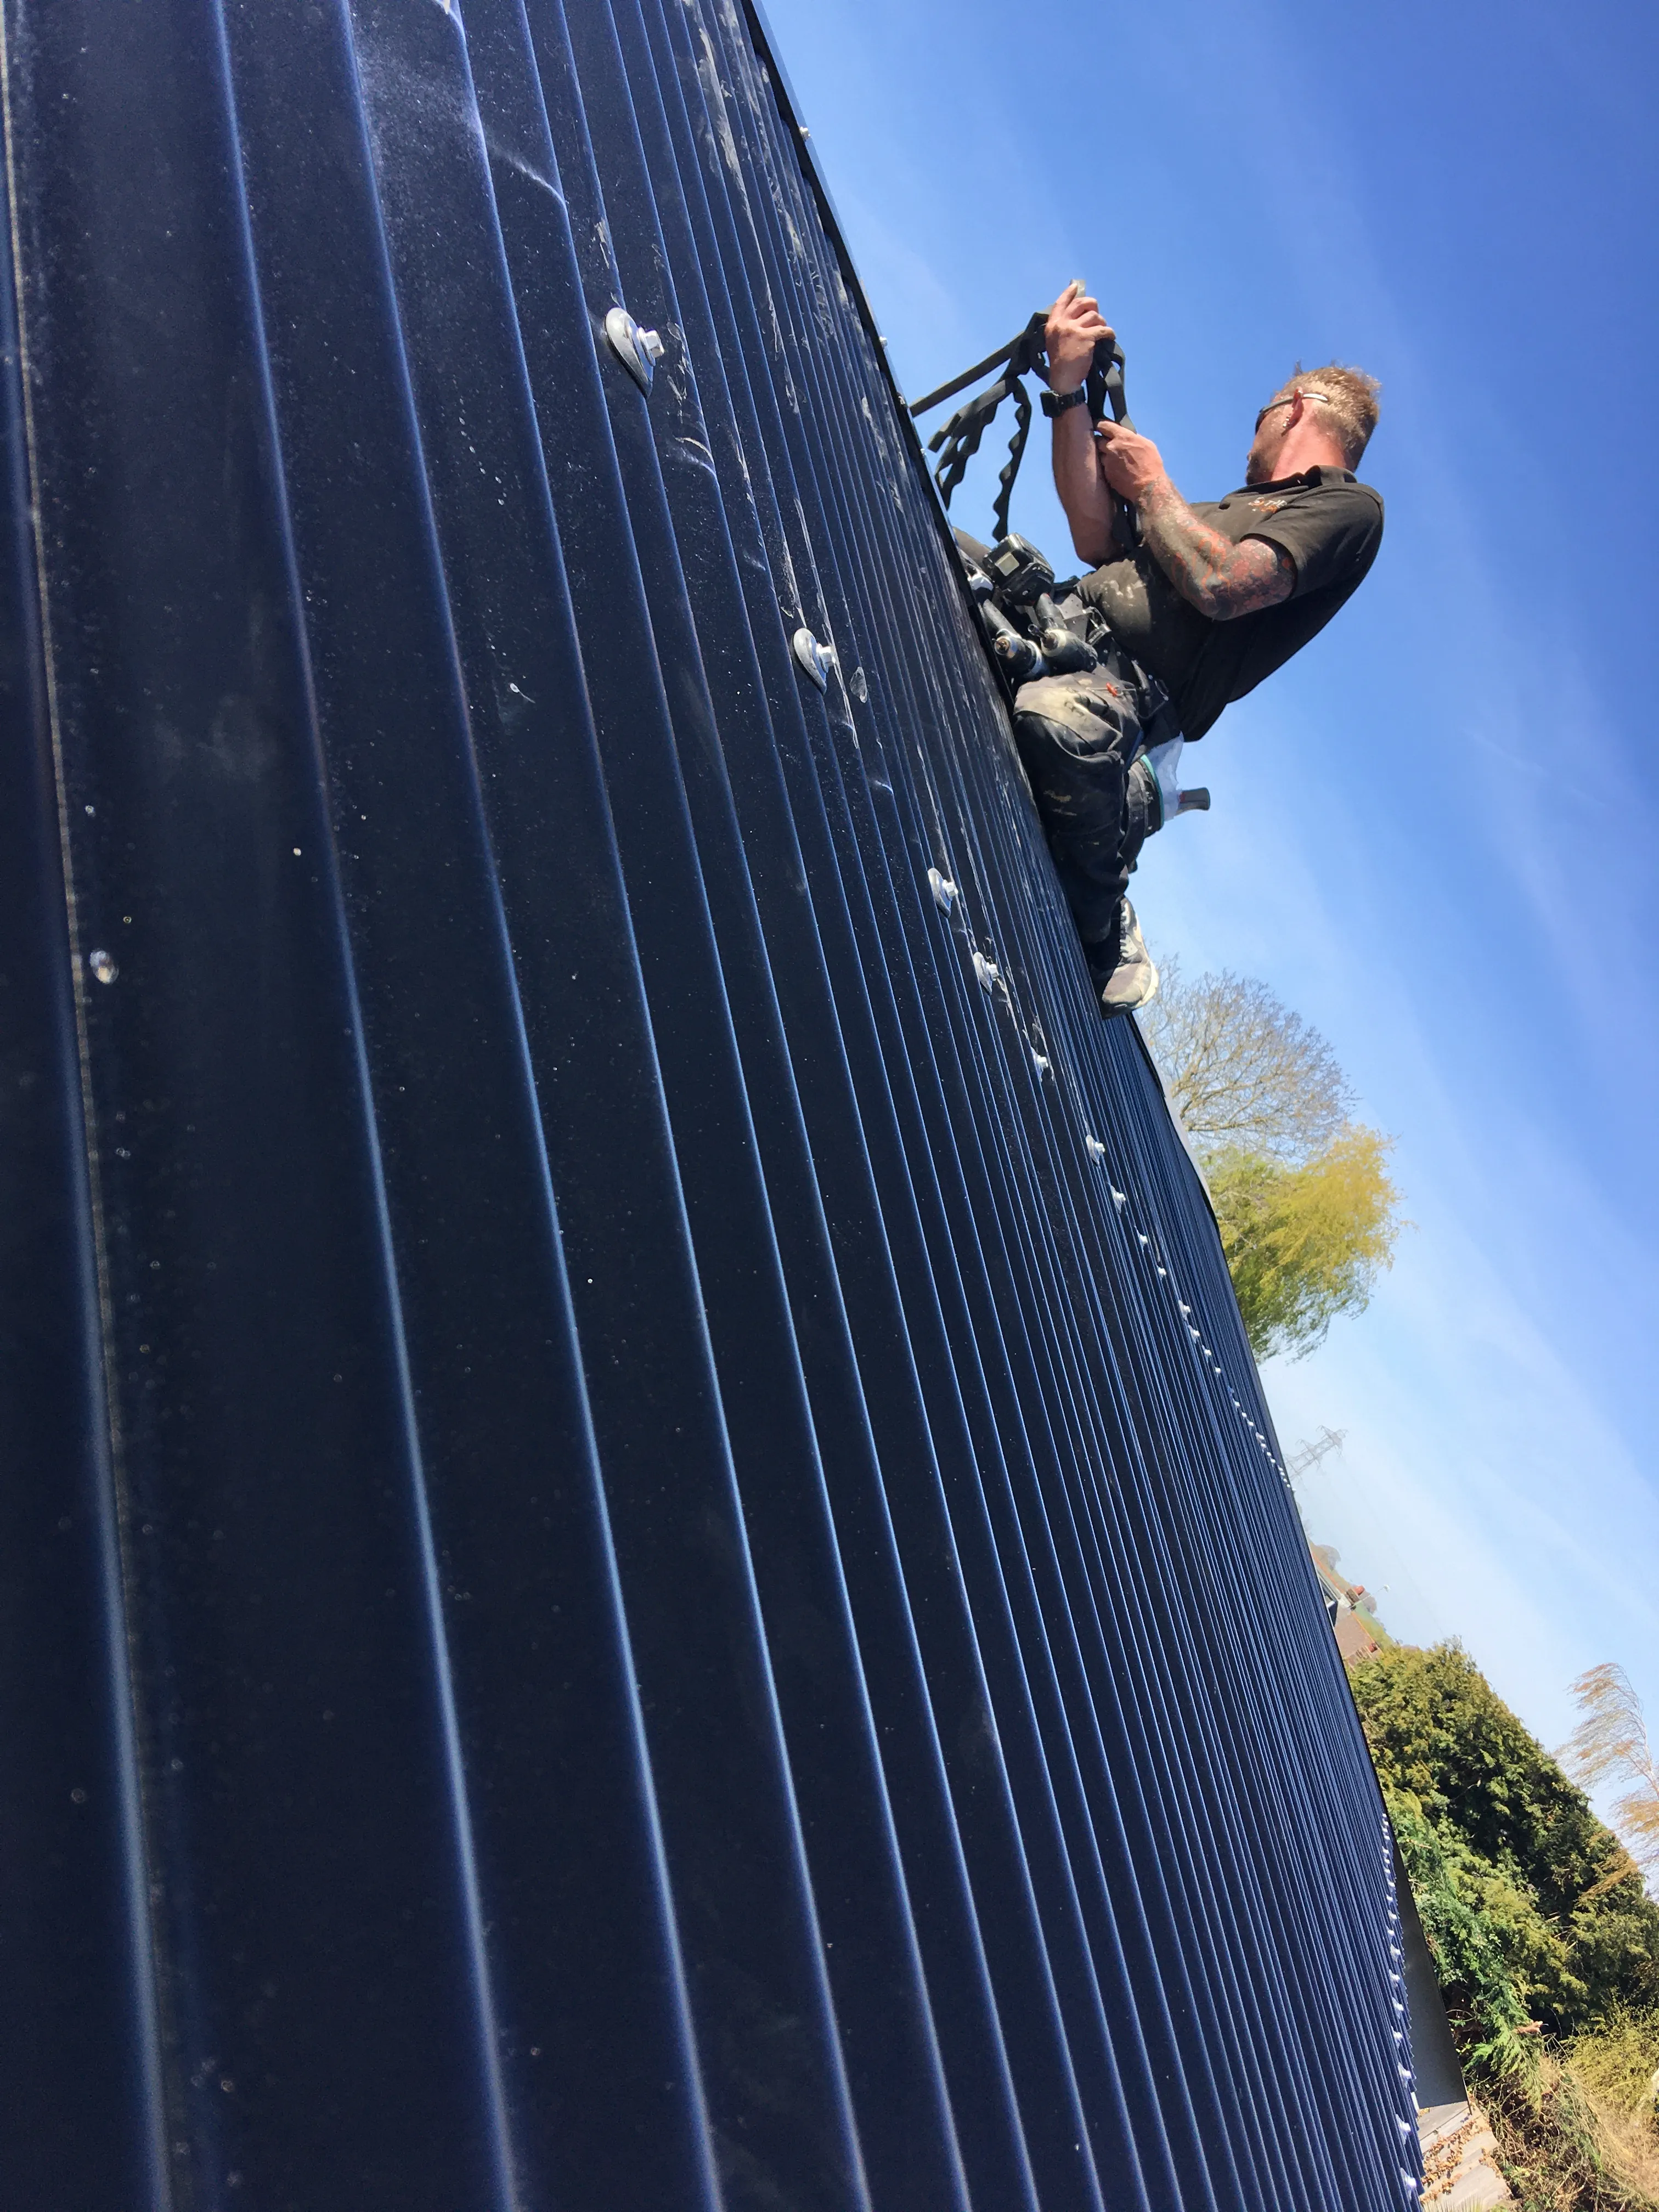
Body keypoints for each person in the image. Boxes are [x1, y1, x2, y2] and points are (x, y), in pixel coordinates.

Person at [1009, 279, 1384, 1014]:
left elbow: (1221, 582)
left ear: (1296, 409)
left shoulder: (1349, 508)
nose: (1252, 440)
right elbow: (1094, 536)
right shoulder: (1216, 512)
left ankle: (1104, 906)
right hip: (1062, 624)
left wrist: (1151, 485)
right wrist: (1067, 392)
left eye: (1260, 418)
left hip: (1123, 694)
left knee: (1061, 724)